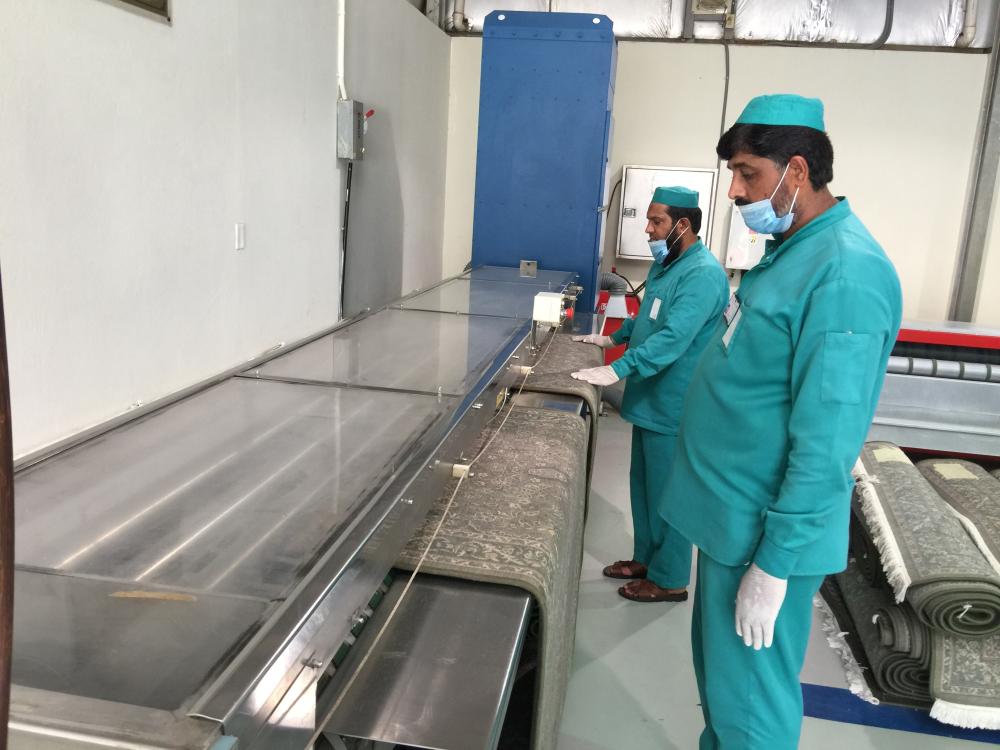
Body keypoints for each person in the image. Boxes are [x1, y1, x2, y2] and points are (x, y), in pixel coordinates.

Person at [663, 95, 902, 749]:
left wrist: (775, 564)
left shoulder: (845, 274)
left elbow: (827, 442)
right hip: (730, 522)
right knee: (725, 690)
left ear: (796, 170)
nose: (736, 192)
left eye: (749, 174)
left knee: (750, 706)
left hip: (761, 534)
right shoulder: (791, 250)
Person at [570, 186, 728, 603]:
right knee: (643, 486)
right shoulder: (666, 265)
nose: (648, 229)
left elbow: (673, 338)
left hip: (676, 404)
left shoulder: (702, 274)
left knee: (669, 494)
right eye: (649, 220)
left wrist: (618, 368)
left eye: (657, 221)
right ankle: (646, 559)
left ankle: (670, 578)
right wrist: (611, 339)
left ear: (682, 224)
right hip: (651, 400)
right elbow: (648, 321)